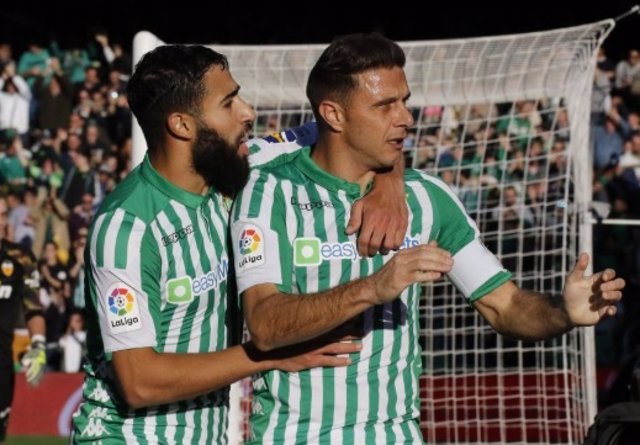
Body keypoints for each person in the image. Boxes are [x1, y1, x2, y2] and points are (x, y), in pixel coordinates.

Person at [230, 33, 626, 444]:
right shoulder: (269, 191)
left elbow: (504, 305)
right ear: (333, 114)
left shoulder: (427, 197)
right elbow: (265, 323)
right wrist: (373, 288)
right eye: (385, 105)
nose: (406, 118)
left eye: (405, 101)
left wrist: (563, 310)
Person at [70, 44, 407, 443]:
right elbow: (140, 382)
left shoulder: (241, 167)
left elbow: (363, 131)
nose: (248, 113)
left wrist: (390, 183)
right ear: (182, 125)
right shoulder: (126, 227)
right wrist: (268, 354)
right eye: (229, 103)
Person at [0, 196, 46, 442]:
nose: (0, 222)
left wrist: (38, 344)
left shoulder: (21, 258)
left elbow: (33, 308)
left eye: (3, 215)